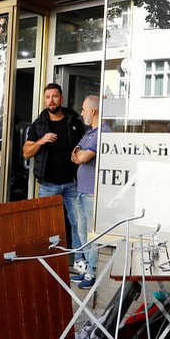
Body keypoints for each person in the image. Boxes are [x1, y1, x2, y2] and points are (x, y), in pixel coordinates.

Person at [22, 83, 86, 273]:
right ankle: (47, 259)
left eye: (55, 96)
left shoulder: (74, 120)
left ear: (61, 98)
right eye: (48, 97)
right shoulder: (39, 124)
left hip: (72, 183)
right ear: (44, 100)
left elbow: (85, 144)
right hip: (49, 184)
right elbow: (26, 152)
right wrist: (41, 141)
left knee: (77, 222)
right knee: (45, 224)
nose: (51, 100)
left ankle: (79, 258)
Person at [69, 95, 104, 289]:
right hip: (81, 191)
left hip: (92, 193)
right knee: (83, 234)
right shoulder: (90, 133)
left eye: (83, 109)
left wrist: (79, 155)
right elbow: (75, 153)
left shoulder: (102, 133)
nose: (81, 113)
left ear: (92, 111)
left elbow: (82, 156)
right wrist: (78, 154)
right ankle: (86, 271)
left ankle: (91, 274)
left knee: (92, 236)